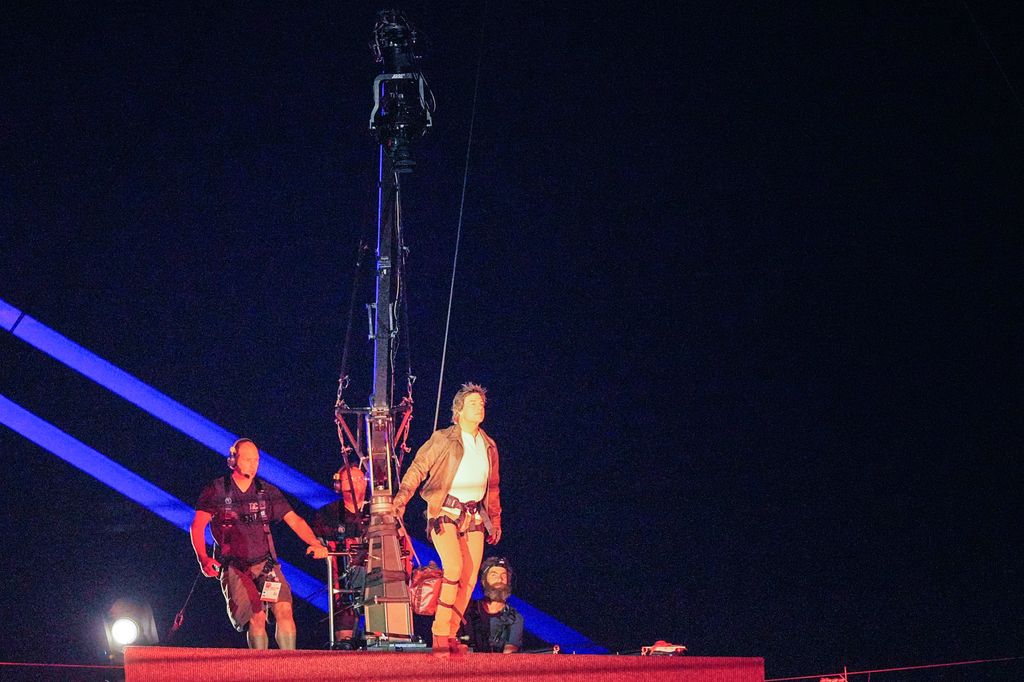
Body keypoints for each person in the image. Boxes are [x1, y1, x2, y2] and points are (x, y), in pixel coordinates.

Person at [392, 382, 502, 655]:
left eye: (482, 403)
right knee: (453, 566)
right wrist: (402, 498)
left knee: (469, 577)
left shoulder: (488, 445)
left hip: (474, 514)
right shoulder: (444, 438)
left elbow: (494, 486)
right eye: (474, 403)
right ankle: (440, 634)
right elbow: (419, 467)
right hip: (444, 511)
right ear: (459, 410)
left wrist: (496, 519)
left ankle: (451, 633)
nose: (480, 407)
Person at [190, 437, 328, 649]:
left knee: (284, 609)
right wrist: (203, 558)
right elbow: (197, 526)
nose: (253, 465)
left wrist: (314, 542)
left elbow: (295, 520)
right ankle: (261, 670)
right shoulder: (216, 490)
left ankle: (290, 668)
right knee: (256, 617)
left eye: (256, 460)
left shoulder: (266, 491)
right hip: (235, 567)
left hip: (266, 565)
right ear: (233, 460)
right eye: (247, 459)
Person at [313, 464, 370, 645]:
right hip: (344, 587)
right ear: (338, 485)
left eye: (361, 479)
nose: (358, 483)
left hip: (377, 583)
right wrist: (318, 547)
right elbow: (316, 542)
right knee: (344, 642)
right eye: (352, 479)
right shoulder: (327, 514)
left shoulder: (379, 510)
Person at [461, 557, 523, 653]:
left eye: (504, 576)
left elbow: (509, 653)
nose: (500, 579)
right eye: (494, 575)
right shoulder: (467, 609)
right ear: (484, 581)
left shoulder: (514, 618)